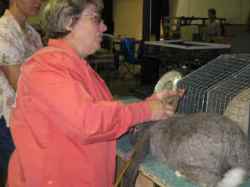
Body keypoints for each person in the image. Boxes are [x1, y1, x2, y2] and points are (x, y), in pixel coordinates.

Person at [8, 0, 183, 186]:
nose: (104, 26)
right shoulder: (46, 68)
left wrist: (149, 104)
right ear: (69, 21)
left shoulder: (78, 67)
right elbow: (88, 122)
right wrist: (145, 110)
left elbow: (103, 113)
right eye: (96, 19)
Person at [0, 0, 43, 186]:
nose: (38, 1)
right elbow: (20, 84)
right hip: (10, 120)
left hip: (31, 117)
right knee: (16, 177)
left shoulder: (32, 34)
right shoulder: (3, 31)